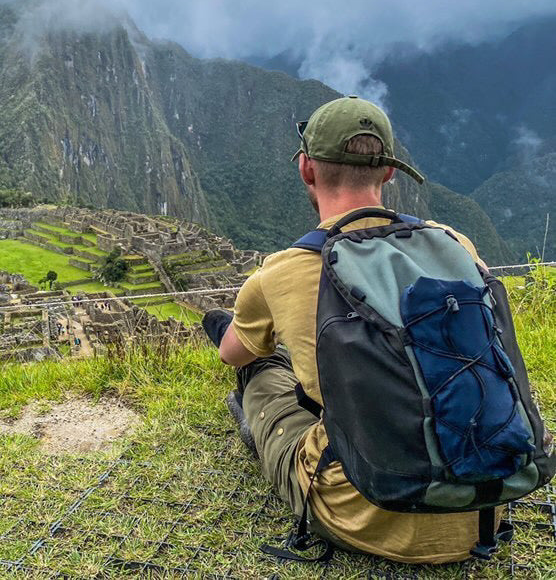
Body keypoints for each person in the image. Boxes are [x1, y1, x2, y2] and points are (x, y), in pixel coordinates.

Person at [203, 95, 510, 563]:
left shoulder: (282, 272)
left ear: (306, 169)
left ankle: (267, 423)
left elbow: (231, 353)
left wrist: (239, 326)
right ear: (389, 172)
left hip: (365, 512)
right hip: (485, 505)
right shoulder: (455, 244)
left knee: (264, 375)